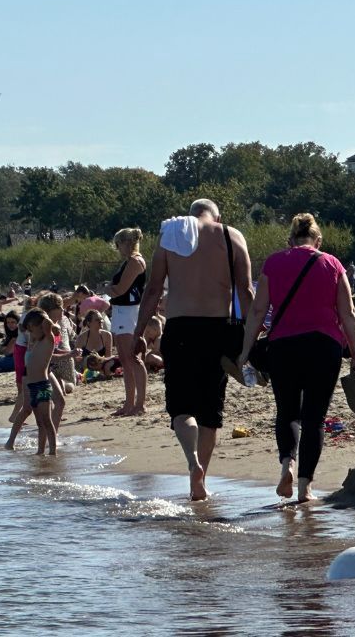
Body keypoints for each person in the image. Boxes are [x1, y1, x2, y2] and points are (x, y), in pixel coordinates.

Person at [237, 213, 355, 503]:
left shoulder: (273, 262)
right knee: (315, 418)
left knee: (287, 412)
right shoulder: (332, 264)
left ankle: (287, 465)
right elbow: (349, 314)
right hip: (324, 346)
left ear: (290, 240)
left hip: (283, 347)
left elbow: (258, 312)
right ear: (318, 240)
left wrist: (246, 351)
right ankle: (305, 488)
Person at [134, 199, 253, 501]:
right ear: (217, 216)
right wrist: (252, 336)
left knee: (182, 407)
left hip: (181, 327)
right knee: (210, 410)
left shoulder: (172, 235)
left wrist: (138, 332)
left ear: (190, 216)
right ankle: (200, 483)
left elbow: (153, 289)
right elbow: (245, 290)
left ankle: (192, 463)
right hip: (219, 329)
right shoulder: (232, 235)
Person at [107, 228, 148, 416]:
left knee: (132, 357)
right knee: (124, 358)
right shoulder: (130, 261)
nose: (117, 248)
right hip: (121, 311)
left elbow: (121, 290)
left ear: (126, 243)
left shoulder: (135, 261)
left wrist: (107, 288)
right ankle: (129, 403)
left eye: (118, 244)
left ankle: (139, 404)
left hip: (129, 311)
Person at [8, 309, 57, 454]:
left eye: (32, 329)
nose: (30, 333)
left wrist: (42, 316)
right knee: (39, 423)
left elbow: (48, 324)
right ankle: (40, 451)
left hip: (42, 385)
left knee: (47, 420)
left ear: (41, 326)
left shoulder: (49, 339)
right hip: (31, 385)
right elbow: (24, 328)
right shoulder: (35, 341)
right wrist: (29, 324)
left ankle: (53, 452)